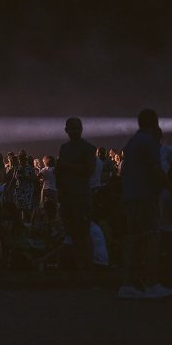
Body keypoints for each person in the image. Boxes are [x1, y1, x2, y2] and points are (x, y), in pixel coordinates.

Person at [117, 109, 172, 299]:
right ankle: (152, 283)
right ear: (155, 122)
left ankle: (127, 284)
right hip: (145, 196)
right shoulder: (149, 142)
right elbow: (157, 172)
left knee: (133, 238)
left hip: (131, 196)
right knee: (152, 237)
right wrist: (171, 188)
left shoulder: (133, 142)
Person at [56, 117, 96, 273]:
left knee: (83, 230)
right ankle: (80, 265)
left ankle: (88, 265)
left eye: (76, 128)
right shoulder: (64, 148)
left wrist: (66, 167)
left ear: (81, 129)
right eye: (71, 128)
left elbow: (89, 170)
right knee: (72, 230)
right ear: (66, 130)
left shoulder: (87, 148)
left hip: (80, 194)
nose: (74, 131)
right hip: (67, 194)